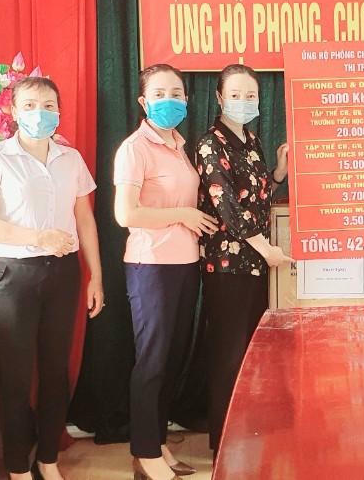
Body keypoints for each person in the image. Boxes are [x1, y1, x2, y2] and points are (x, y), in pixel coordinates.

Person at [0, 76, 104, 480]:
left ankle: (48, 460)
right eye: (29, 105)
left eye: (48, 105)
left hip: (62, 273)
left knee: (55, 372)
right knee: (15, 376)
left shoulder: (71, 159)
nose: (39, 113)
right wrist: (37, 237)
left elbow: (85, 220)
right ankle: (17, 467)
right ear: (13, 111)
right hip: (13, 275)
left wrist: (96, 276)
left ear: (59, 111)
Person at [113, 64, 217, 480]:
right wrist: (183, 215)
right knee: (152, 361)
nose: (168, 100)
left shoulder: (179, 146)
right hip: (151, 266)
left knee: (172, 359)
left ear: (187, 100)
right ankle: (144, 453)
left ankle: (157, 445)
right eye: (159, 93)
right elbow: (126, 214)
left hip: (184, 264)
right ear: (143, 101)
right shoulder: (134, 148)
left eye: (176, 93)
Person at [195, 64, 293, 453]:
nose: (243, 101)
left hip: (255, 265)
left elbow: (258, 194)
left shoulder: (251, 140)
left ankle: (249, 434)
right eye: (235, 95)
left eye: (250, 95)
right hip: (227, 265)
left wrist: (279, 173)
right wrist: (267, 249)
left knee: (252, 351)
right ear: (220, 98)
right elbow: (228, 207)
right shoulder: (209, 143)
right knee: (228, 354)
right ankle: (224, 443)